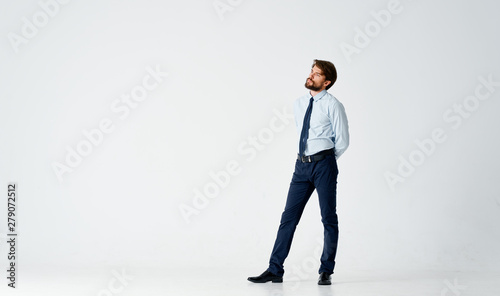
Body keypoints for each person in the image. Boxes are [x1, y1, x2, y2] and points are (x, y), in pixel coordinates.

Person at [248, 59, 349, 286]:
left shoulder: (333, 105)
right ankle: (275, 269)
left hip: (324, 165)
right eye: (311, 71)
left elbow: (343, 140)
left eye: (317, 74)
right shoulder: (299, 103)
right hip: (301, 166)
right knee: (288, 218)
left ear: (327, 82)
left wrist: (326, 160)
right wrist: (308, 158)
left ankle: (326, 270)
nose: (311, 76)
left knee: (328, 218)